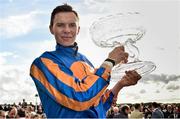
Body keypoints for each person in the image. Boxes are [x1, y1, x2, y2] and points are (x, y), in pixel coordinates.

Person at [30, 4, 141, 118]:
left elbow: (99, 104)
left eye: (72, 25)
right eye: (60, 25)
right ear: (51, 29)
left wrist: (121, 84)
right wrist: (110, 62)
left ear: (78, 29)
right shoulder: (43, 63)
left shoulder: (86, 61)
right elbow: (79, 98)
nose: (67, 30)